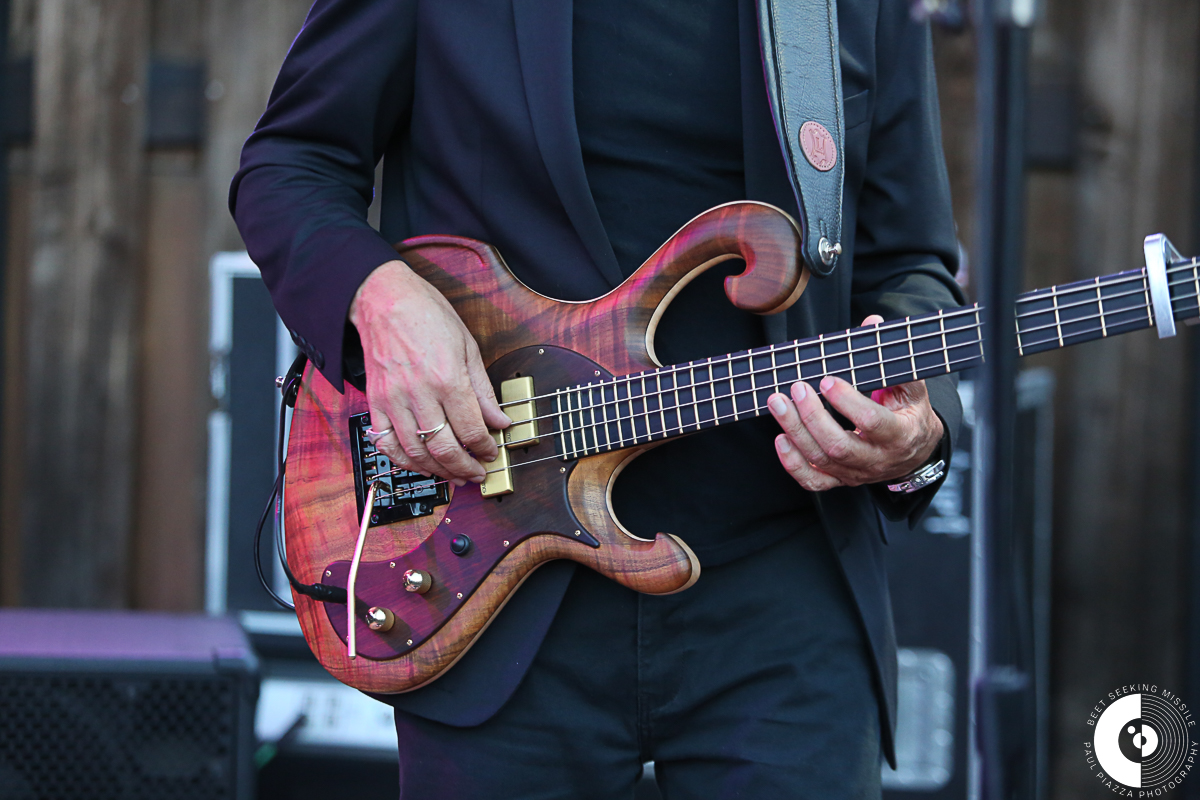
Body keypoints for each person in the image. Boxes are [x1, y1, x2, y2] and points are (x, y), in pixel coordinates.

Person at [231, 0, 965, 796]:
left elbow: (911, 264)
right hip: (496, 565)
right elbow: (289, 164)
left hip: (785, 595)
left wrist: (915, 441)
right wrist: (380, 300)